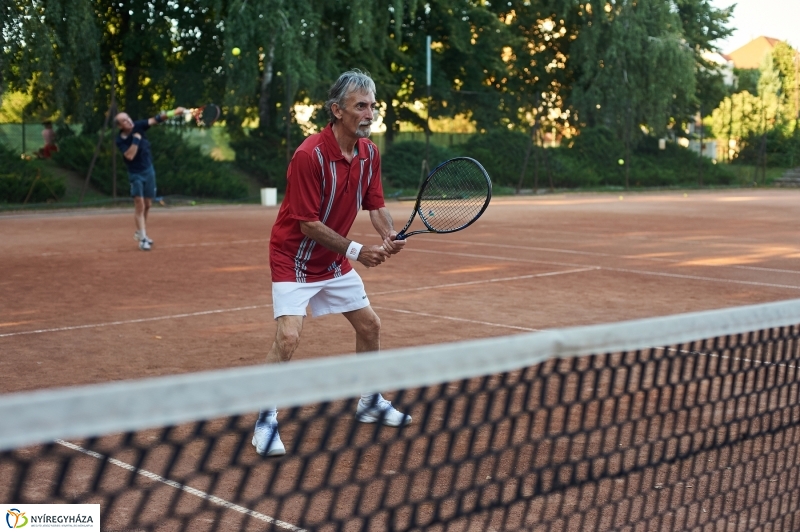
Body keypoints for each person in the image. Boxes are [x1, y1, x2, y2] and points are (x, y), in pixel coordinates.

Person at [253, 70, 409, 457]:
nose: (369, 113)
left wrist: (388, 234)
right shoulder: (309, 155)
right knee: (288, 337)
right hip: (294, 257)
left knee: (370, 325)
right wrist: (357, 251)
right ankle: (264, 420)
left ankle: (370, 401)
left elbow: (376, 206)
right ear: (337, 111)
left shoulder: (369, 153)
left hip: (333, 261)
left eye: (372, 105)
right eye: (361, 106)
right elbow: (307, 224)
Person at [115, 107, 185, 251]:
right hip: (135, 174)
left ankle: (141, 232)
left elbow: (157, 119)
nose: (128, 121)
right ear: (119, 126)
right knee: (139, 205)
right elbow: (129, 156)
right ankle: (142, 240)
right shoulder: (120, 140)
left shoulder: (139, 125)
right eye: (124, 121)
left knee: (148, 205)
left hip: (148, 171)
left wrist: (174, 112)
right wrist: (135, 140)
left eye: (128, 118)